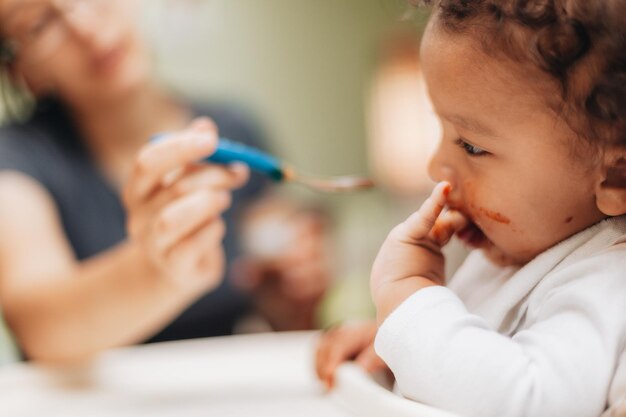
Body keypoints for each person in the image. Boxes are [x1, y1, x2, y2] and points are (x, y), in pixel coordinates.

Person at [316, 1, 626, 417]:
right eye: (440, 128)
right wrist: (396, 343)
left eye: (473, 145)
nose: (434, 166)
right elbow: (490, 354)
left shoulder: (608, 283)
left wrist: (408, 293)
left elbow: (530, 401)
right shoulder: (520, 250)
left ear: (615, 177)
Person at [0, 0, 329, 362]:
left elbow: (281, 321)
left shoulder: (236, 127)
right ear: (20, 69)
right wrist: (156, 271)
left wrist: (292, 295)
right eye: (39, 23)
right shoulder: (15, 158)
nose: (86, 27)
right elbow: (40, 331)